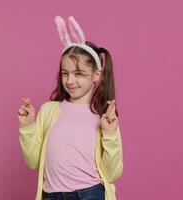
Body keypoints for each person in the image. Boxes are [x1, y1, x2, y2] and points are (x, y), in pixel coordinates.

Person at [18, 15, 123, 200]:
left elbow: (112, 173)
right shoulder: (49, 110)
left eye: (79, 73)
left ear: (96, 75)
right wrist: (27, 127)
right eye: (65, 73)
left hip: (91, 194)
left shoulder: (103, 117)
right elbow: (33, 161)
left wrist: (110, 134)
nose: (70, 80)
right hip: (51, 195)